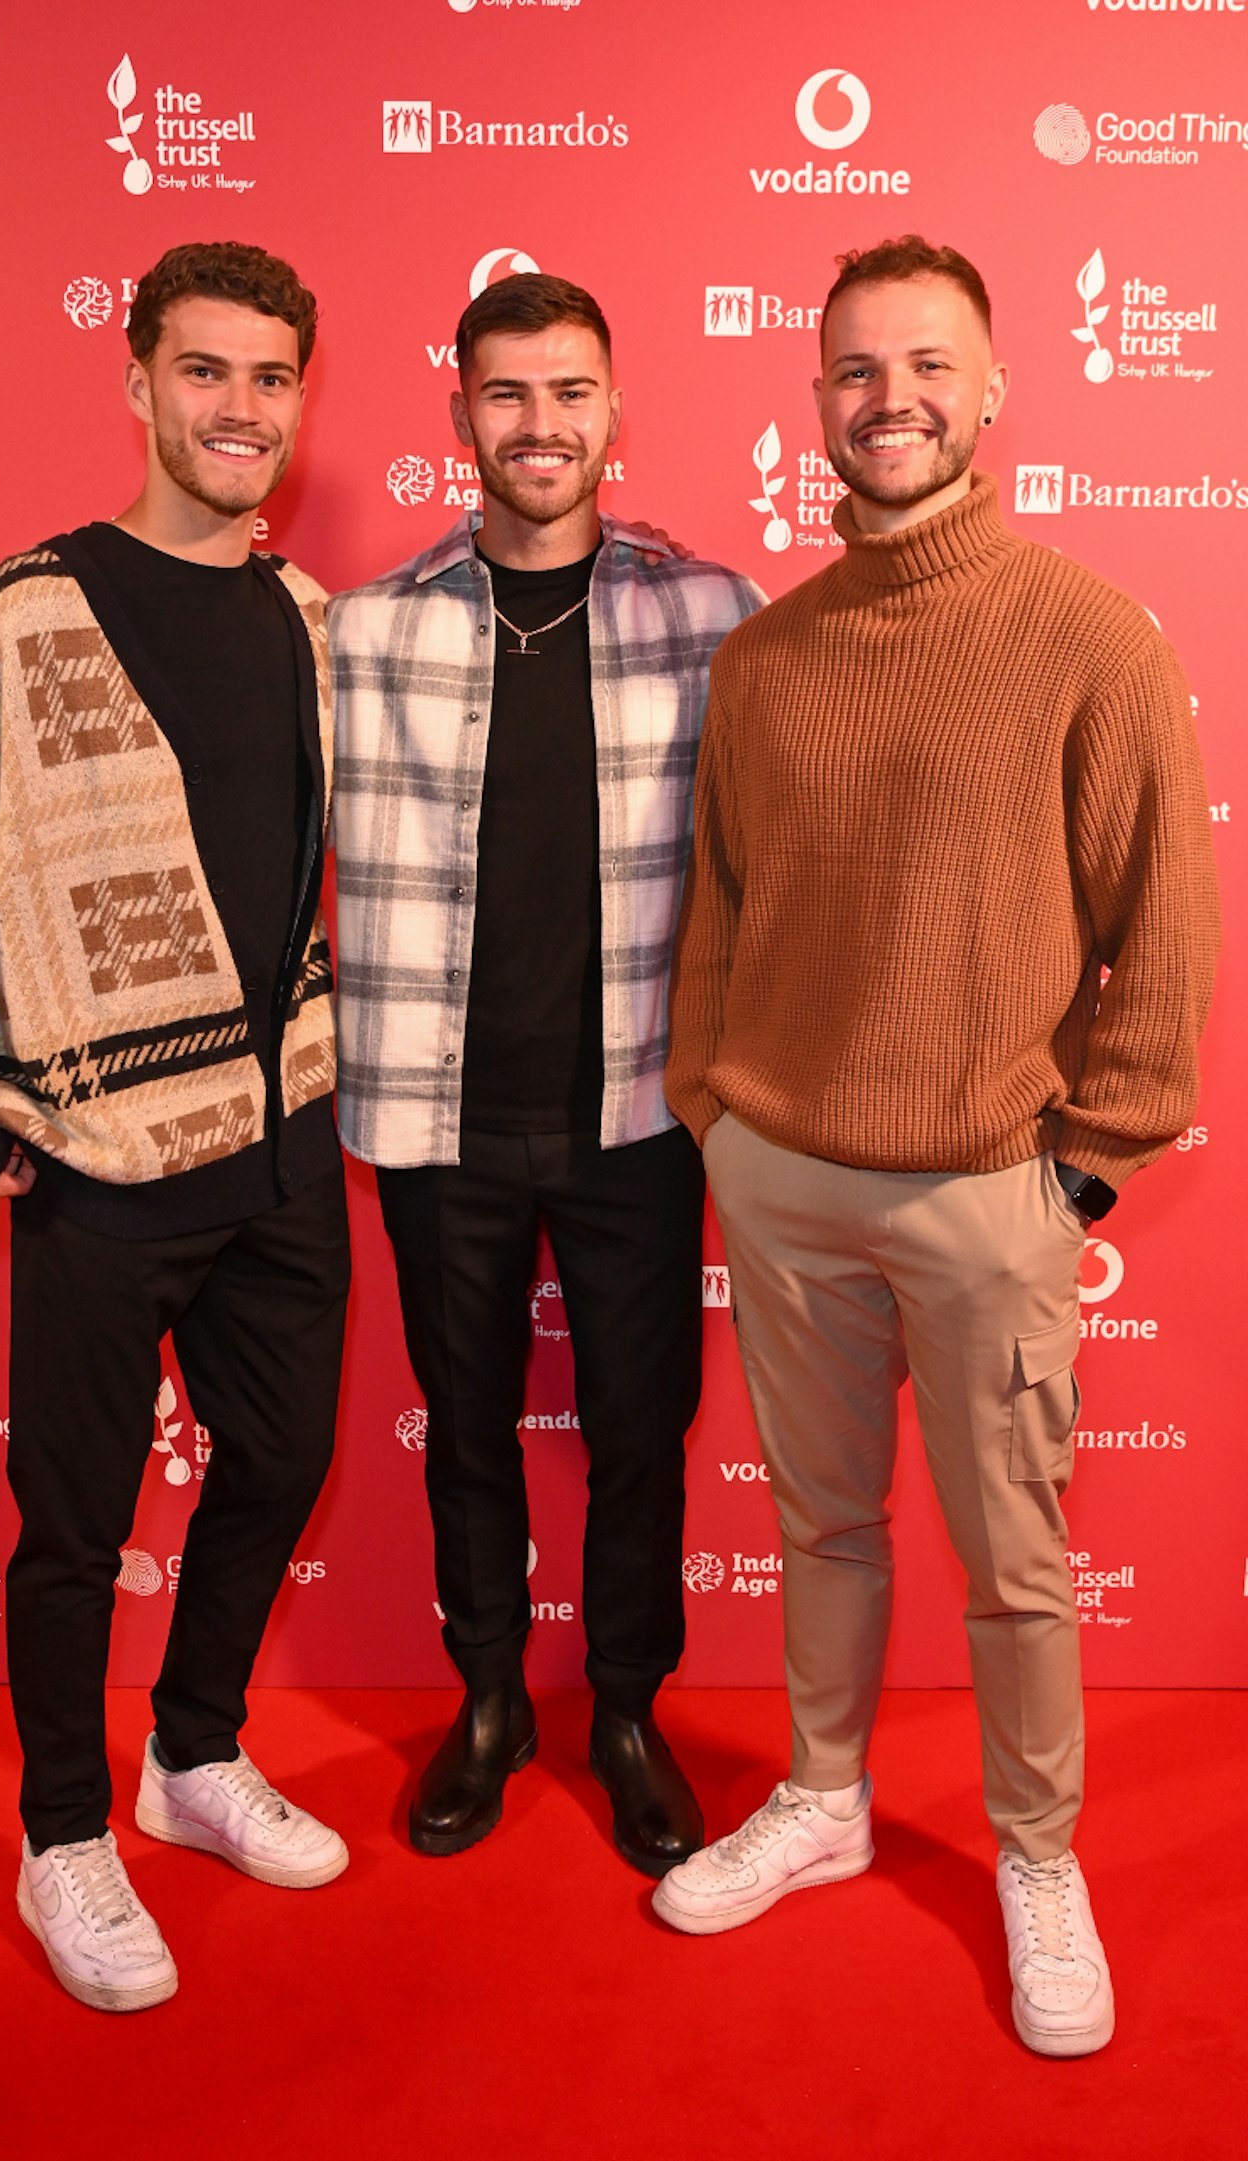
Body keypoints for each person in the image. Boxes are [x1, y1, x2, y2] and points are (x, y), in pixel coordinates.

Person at [658, 236, 1217, 2055]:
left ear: (991, 391)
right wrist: (713, 1107)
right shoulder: (767, 653)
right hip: (785, 1170)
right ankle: (824, 1795)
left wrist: (1091, 1154)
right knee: (823, 1523)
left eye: (926, 364)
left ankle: (1035, 1853)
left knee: (1017, 1558)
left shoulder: (1086, 634)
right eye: (853, 369)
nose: (888, 397)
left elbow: (1171, 921)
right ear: (814, 397)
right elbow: (723, 908)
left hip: (991, 1188)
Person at [0, 241, 351, 2013]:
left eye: (272, 378)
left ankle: (188, 1753)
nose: (239, 408)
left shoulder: (302, 616)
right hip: (102, 1161)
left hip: (282, 1134)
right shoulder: (26, 612)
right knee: (71, 1522)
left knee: (281, 1460)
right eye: (206, 371)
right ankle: (66, 1835)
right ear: (137, 382)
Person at [329, 273, 762, 1875]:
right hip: (434, 1113)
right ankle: (494, 1701)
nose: (539, 426)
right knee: (465, 1428)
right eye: (506, 395)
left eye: (569, 393)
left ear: (613, 411)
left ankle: (629, 1708)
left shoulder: (715, 611)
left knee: (646, 1425)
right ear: (460, 416)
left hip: (643, 1113)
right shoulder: (367, 628)